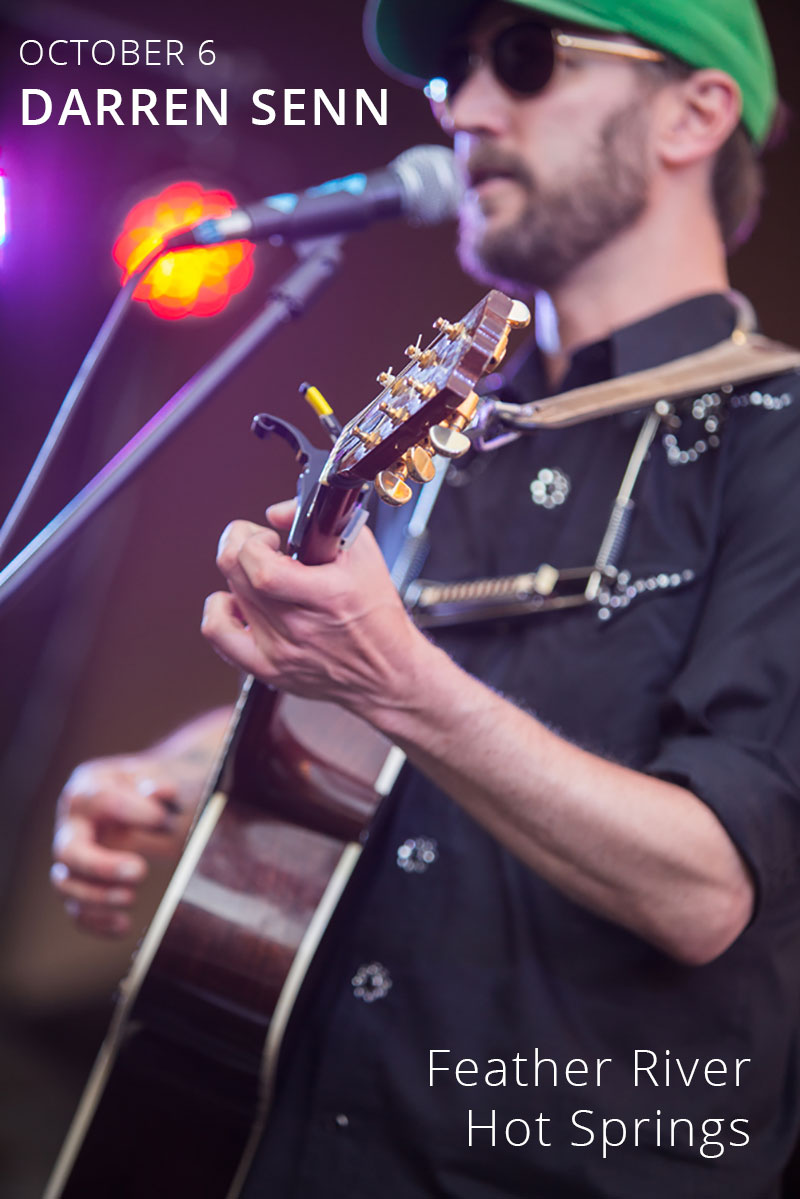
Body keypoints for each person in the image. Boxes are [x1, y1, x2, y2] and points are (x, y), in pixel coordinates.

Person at [51, 0, 800, 1195]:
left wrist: (396, 682)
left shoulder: (774, 439)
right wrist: (178, 771)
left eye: (523, 57)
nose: (462, 105)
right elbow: (355, 721)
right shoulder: (444, 430)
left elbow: (711, 887)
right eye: (453, 68)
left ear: (694, 112)